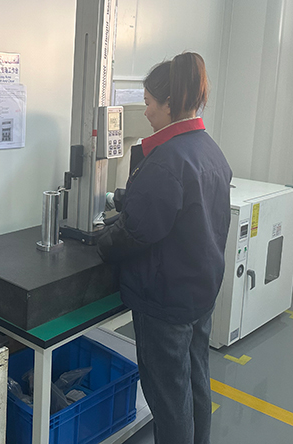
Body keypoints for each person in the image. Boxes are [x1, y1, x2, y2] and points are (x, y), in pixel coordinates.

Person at [98, 52, 232, 444]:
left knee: (169, 401)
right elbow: (180, 208)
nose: (146, 110)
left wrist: (100, 241)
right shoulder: (208, 149)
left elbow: (138, 232)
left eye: (149, 102)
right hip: (199, 292)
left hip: (166, 299)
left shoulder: (166, 159)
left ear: (169, 104)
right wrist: (127, 199)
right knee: (195, 382)